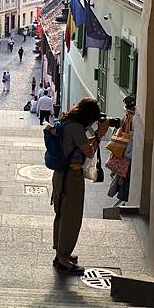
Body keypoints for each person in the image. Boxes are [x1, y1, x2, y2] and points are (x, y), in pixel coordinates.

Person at [48, 97, 110, 275]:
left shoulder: (67, 122)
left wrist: (95, 135)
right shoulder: (76, 128)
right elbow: (89, 151)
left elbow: (80, 144)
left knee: (62, 214)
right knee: (71, 217)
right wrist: (100, 134)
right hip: (71, 178)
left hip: (61, 175)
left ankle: (60, 253)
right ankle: (63, 260)